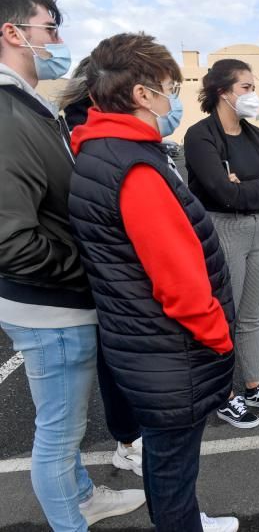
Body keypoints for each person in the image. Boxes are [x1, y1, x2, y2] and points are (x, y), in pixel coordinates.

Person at [69, 32, 239, 531]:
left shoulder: (101, 151)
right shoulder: (135, 167)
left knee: (166, 461)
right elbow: (179, 279)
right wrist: (219, 337)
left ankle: (186, 520)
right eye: (169, 86)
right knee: (172, 462)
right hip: (170, 350)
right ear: (142, 94)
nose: (174, 99)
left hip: (143, 342)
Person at [0, 2, 146, 530]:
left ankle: (82, 496)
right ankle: (71, 522)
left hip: (58, 303)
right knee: (58, 432)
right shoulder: (6, 112)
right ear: (13, 32)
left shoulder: (28, 105)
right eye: (50, 28)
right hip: (50, 310)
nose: (58, 39)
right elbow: (9, 242)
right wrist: (94, 267)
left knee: (67, 426)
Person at [184, 59, 259, 430]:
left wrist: (247, 187)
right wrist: (251, 187)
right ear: (222, 92)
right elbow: (221, 193)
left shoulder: (256, 135)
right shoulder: (201, 136)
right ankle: (224, 395)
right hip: (223, 229)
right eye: (246, 87)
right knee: (222, 317)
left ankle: (254, 385)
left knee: (250, 315)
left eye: (252, 86)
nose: (252, 94)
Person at [59, 56, 146, 476]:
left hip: (110, 273)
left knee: (122, 363)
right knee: (113, 366)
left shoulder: (114, 134)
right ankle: (128, 441)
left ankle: (131, 438)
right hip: (102, 276)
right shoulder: (86, 133)